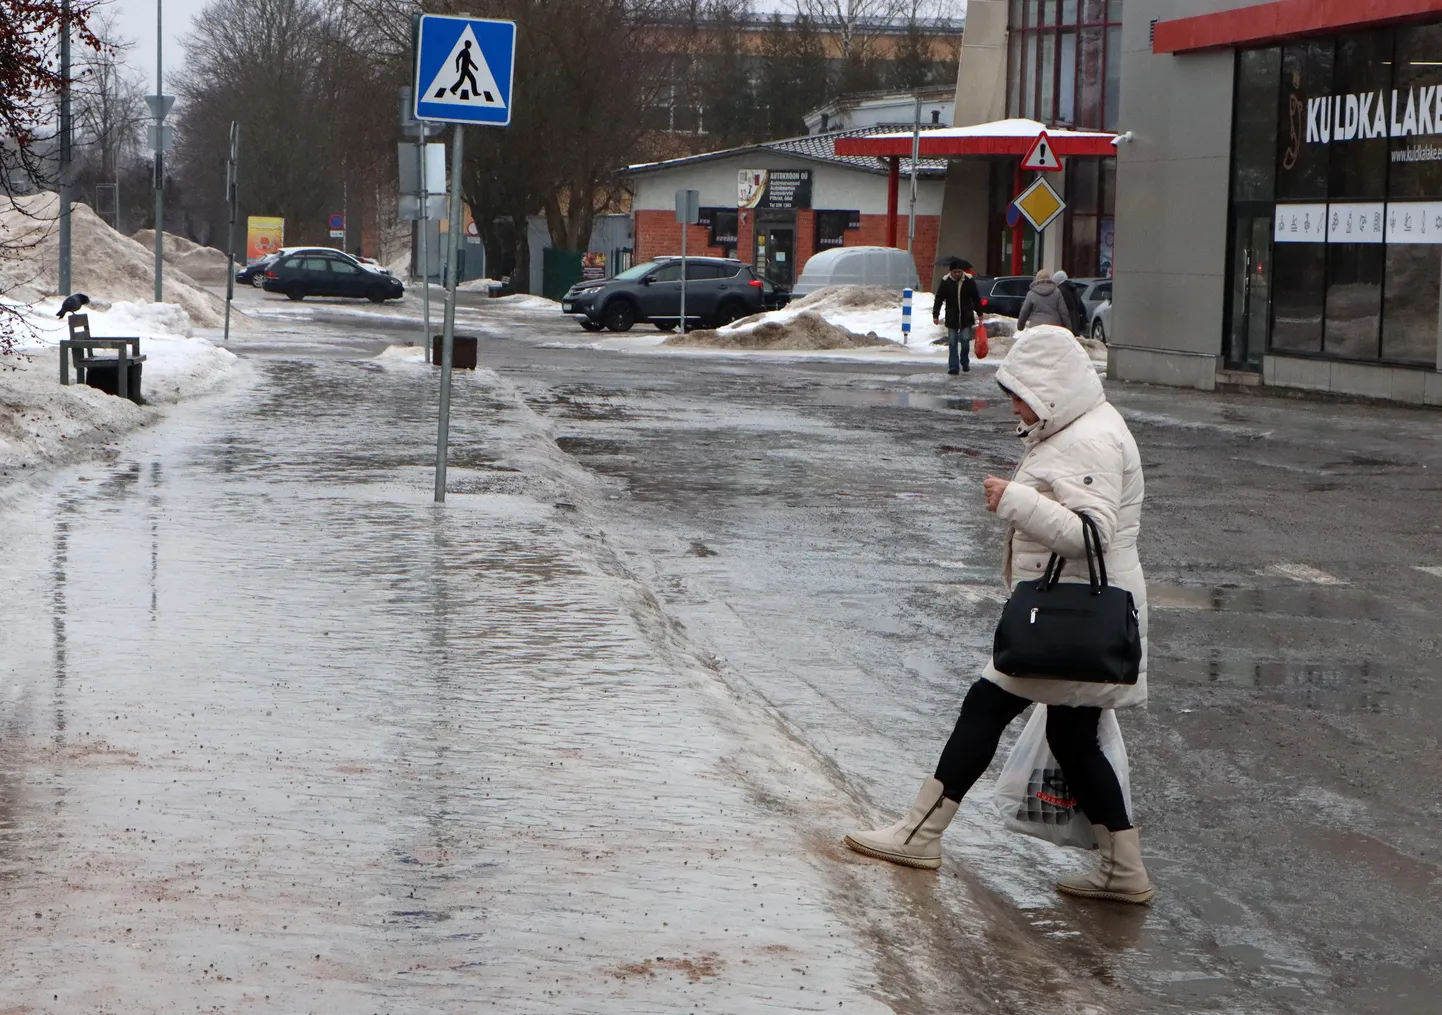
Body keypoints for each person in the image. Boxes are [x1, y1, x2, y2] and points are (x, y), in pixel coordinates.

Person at [844, 324, 1153, 905]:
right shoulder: (1075, 426)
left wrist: (1014, 500)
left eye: (1019, 390)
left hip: (1069, 620)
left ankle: (919, 833)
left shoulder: (1087, 438)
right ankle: (1123, 870)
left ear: (1052, 388)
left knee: (985, 705)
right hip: (1078, 616)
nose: (1012, 401)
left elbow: (1092, 535)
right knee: (1071, 734)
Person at [932, 258, 985, 375]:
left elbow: (975, 298)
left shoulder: (969, 280)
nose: (957, 274)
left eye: (959, 272)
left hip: (966, 316)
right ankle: (953, 366)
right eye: (955, 272)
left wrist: (980, 313)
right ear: (951, 272)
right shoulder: (946, 281)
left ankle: (964, 361)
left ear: (962, 271)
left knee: (965, 340)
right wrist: (935, 314)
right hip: (952, 316)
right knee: (952, 342)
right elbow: (939, 298)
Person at [1053, 270, 1087, 336]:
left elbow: (1061, 309)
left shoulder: (1060, 290)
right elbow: (1081, 306)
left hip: (1066, 322)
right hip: (1076, 320)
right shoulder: (1072, 288)